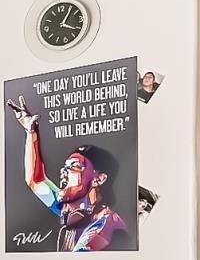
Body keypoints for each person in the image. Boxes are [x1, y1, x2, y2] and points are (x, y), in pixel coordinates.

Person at [9, 97, 129, 251]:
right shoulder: (74, 211)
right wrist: (31, 132)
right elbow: (36, 181)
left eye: (74, 167)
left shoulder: (103, 227)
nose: (63, 172)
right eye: (64, 167)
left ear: (99, 179)